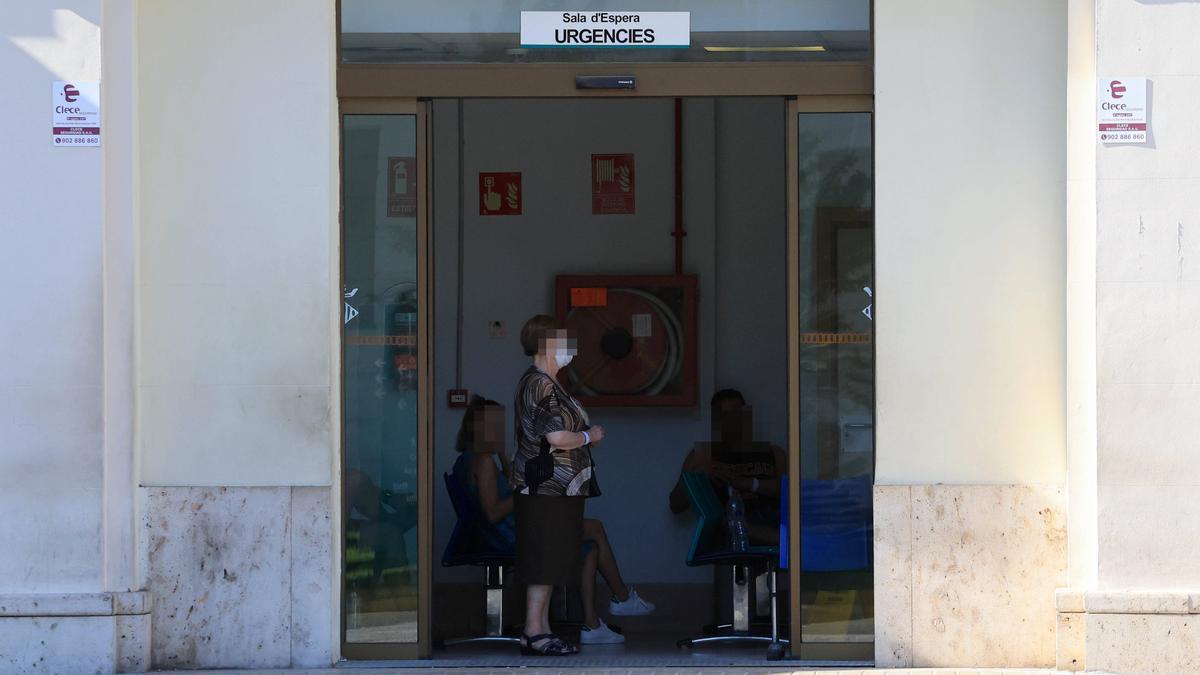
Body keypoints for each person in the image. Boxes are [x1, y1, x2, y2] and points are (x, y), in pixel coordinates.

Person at [451, 395, 653, 648]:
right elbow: (493, 513)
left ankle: (592, 624)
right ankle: (621, 597)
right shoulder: (482, 462)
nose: (499, 430)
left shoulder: (473, 459)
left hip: (504, 531)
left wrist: (504, 458)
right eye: (491, 425)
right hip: (507, 535)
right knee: (594, 527)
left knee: (588, 548)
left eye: (500, 424)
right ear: (475, 428)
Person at [509, 315, 654, 655]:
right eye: (563, 342)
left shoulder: (544, 381)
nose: (569, 350)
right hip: (546, 487)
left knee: (551, 557)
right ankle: (534, 631)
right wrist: (590, 436)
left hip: (554, 488)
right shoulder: (541, 384)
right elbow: (556, 436)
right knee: (545, 559)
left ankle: (540, 629)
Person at [669, 389, 787, 545]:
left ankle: (787, 540)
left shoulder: (774, 452)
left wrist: (750, 484)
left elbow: (791, 492)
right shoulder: (703, 455)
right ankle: (786, 541)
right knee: (731, 523)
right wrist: (695, 475)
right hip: (730, 527)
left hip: (771, 518)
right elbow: (675, 505)